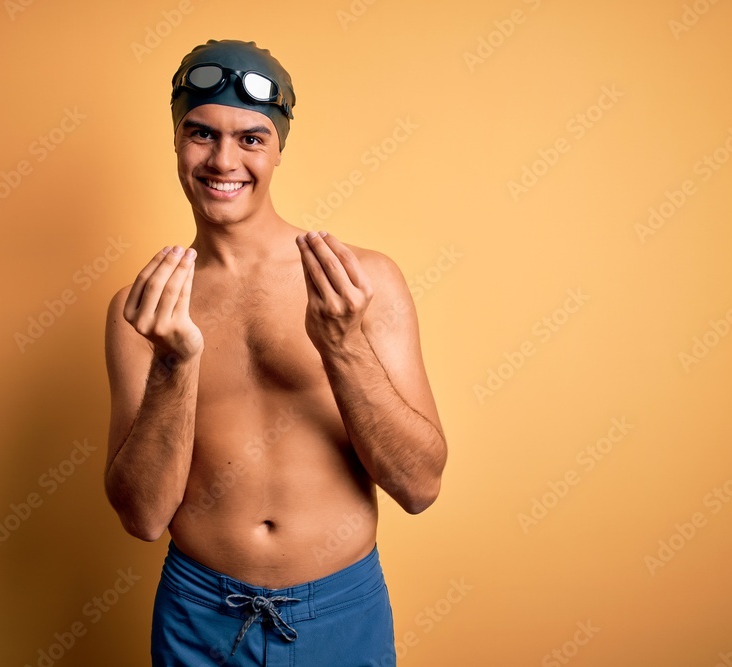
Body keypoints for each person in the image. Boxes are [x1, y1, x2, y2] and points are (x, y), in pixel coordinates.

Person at [104, 39, 447, 666]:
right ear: (177, 141)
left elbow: (419, 486)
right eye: (201, 133)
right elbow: (144, 516)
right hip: (198, 614)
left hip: (340, 610)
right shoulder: (143, 309)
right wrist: (174, 367)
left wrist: (342, 347)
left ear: (279, 147)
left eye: (252, 138)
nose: (224, 159)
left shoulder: (359, 281)